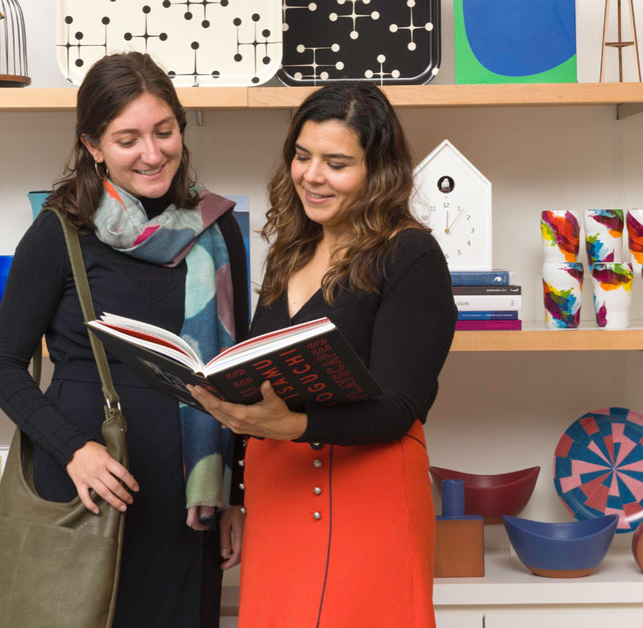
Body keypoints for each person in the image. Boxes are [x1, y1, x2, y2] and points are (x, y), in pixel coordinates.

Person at [0, 52, 248, 628]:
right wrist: (73, 450)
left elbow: (237, 373)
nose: (152, 154)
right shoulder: (59, 229)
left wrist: (237, 495)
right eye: (128, 140)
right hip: (88, 486)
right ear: (93, 145)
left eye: (164, 131)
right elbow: (1, 366)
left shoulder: (219, 226)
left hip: (190, 498)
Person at [187, 82, 457, 627]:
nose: (312, 175)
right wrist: (236, 493)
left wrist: (294, 425)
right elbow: (258, 377)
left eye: (337, 163)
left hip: (367, 494)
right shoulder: (291, 250)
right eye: (302, 156)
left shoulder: (410, 254)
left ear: (379, 171)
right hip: (278, 494)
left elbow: (399, 405)